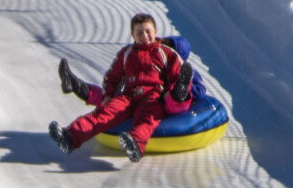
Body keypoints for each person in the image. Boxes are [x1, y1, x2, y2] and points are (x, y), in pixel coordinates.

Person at [49, 13, 193, 163]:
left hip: (153, 95)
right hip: (129, 95)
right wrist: (108, 94)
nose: (144, 36)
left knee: (147, 116)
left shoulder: (165, 52)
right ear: (133, 35)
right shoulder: (126, 53)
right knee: (104, 113)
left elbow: (177, 74)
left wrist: (173, 90)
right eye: (139, 32)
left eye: (148, 31)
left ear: (155, 32)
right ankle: (70, 137)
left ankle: (135, 145)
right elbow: (113, 76)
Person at [58, 35, 207, 107]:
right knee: (112, 97)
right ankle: (76, 85)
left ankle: (178, 91)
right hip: (143, 100)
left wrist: (181, 88)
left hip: (166, 105)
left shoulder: (187, 71)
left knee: (172, 99)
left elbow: (200, 91)